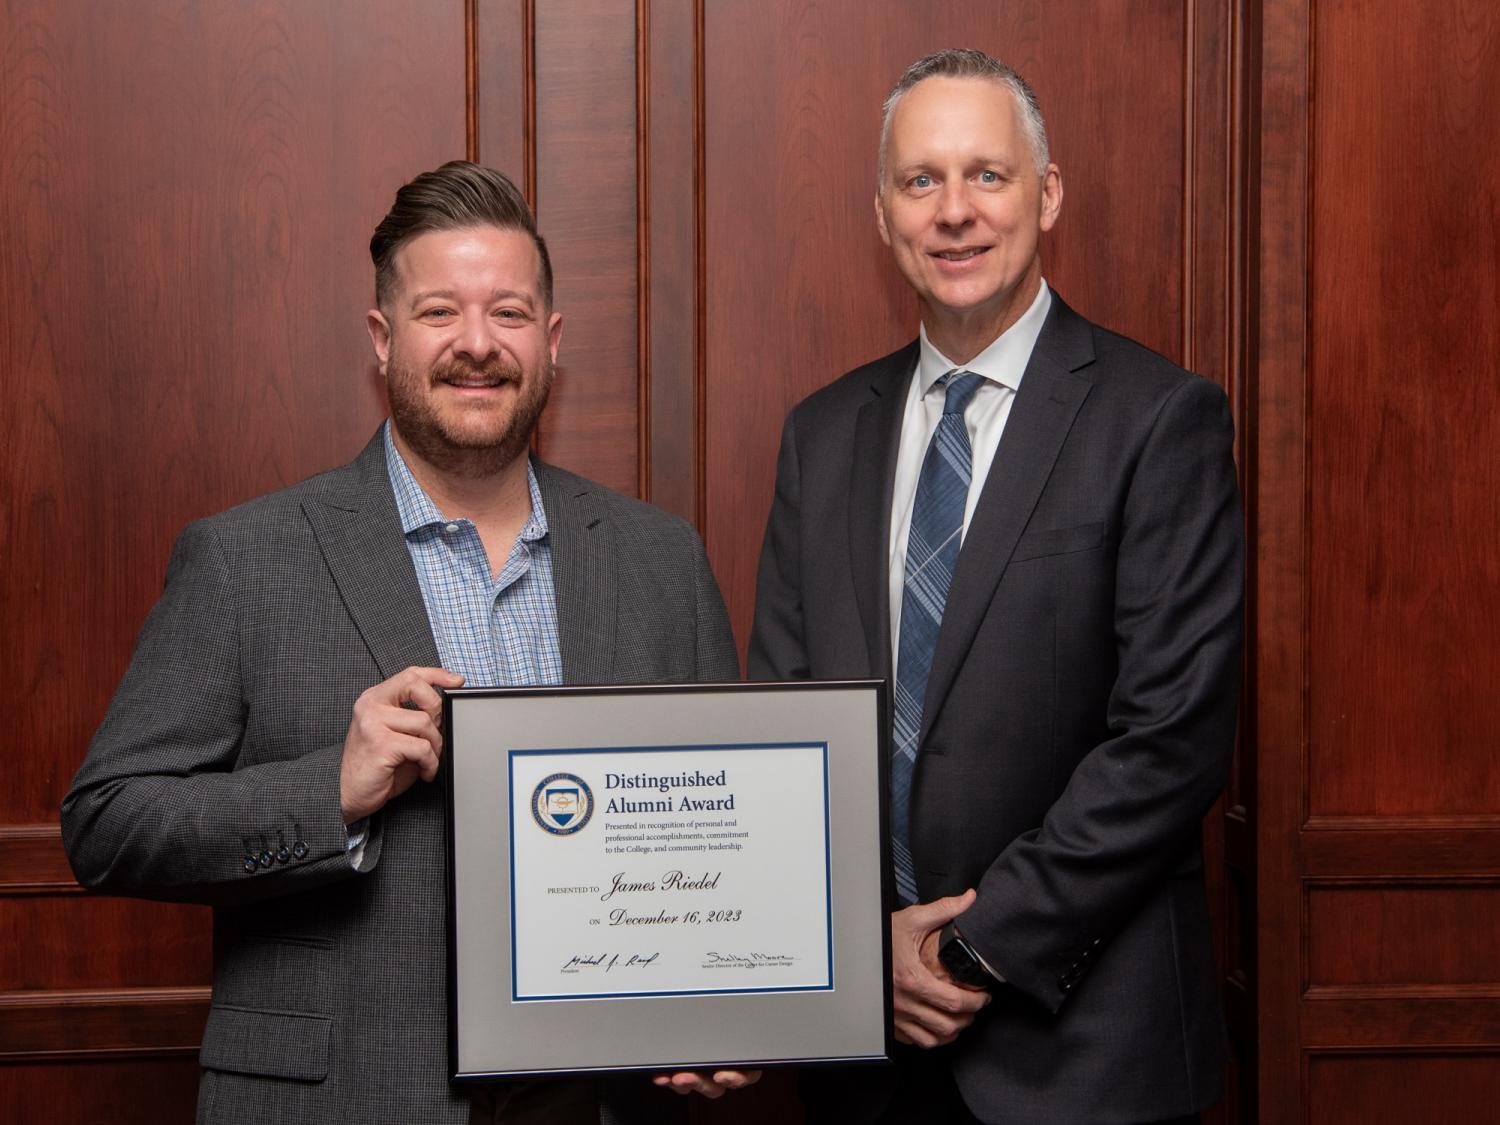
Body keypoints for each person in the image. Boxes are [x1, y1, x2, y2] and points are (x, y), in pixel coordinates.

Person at [62, 161, 752, 1124]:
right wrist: (330, 791)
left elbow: (722, 840)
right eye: (439, 313)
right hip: (347, 1096)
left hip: (601, 1101)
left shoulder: (660, 559)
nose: (478, 345)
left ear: (551, 343)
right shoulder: (245, 558)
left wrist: (728, 1013)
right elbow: (106, 824)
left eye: (509, 314)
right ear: (383, 340)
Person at [750, 49, 1243, 1125]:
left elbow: (1173, 740)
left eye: (989, 174)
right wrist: (849, 950)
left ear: (1048, 194)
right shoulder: (823, 435)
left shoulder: (1159, 420)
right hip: (866, 1051)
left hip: (1086, 1057)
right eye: (921, 181)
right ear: (882, 215)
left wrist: (971, 948)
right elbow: (781, 728)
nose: (955, 212)